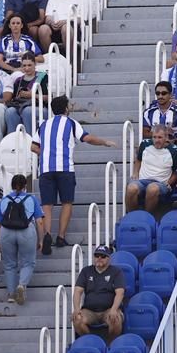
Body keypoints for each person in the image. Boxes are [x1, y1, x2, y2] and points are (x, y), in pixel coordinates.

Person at [33, 94, 113, 248]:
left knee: (47, 205)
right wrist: (105, 142)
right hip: (64, 168)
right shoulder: (71, 123)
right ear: (65, 109)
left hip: (45, 169)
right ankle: (61, 236)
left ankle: (47, 235)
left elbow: (33, 146)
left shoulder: (43, 124)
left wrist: (47, 153)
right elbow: (87, 138)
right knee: (67, 202)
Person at [0, 173, 43, 306]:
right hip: (26, 231)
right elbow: (39, 221)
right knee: (28, 262)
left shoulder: (4, 199)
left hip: (6, 232)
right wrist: (41, 239)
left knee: (9, 264)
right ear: (25, 185)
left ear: (11, 185)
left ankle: (11, 294)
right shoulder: (31, 199)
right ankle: (22, 285)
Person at [71, 245, 125, 337]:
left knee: (115, 319)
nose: (99, 258)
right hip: (89, 310)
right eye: (97, 256)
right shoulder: (86, 271)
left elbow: (120, 293)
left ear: (109, 258)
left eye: (103, 256)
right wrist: (76, 309)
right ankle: (91, 341)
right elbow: (77, 291)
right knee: (77, 319)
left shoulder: (116, 272)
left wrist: (114, 309)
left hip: (108, 309)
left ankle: (110, 344)